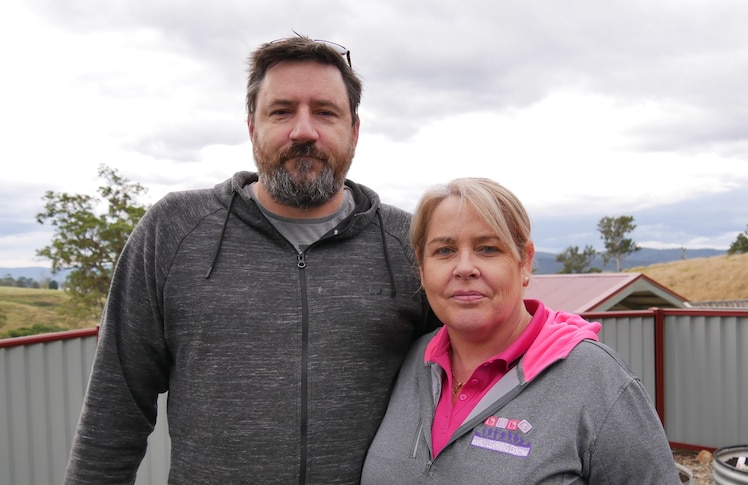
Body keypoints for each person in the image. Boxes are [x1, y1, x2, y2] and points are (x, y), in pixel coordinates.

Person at [65, 35, 435, 484]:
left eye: (325, 111)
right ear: (251, 126)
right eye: (281, 111)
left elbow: (468, 385)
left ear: (354, 130)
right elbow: (115, 409)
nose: (303, 130)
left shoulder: (412, 244)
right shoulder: (174, 229)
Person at [361, 178, 681, 484]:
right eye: (444, 251)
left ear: (524, 262)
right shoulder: (411, 360)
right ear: (421, 266)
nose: (465, 267)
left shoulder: (596, 379)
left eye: (487, 248)